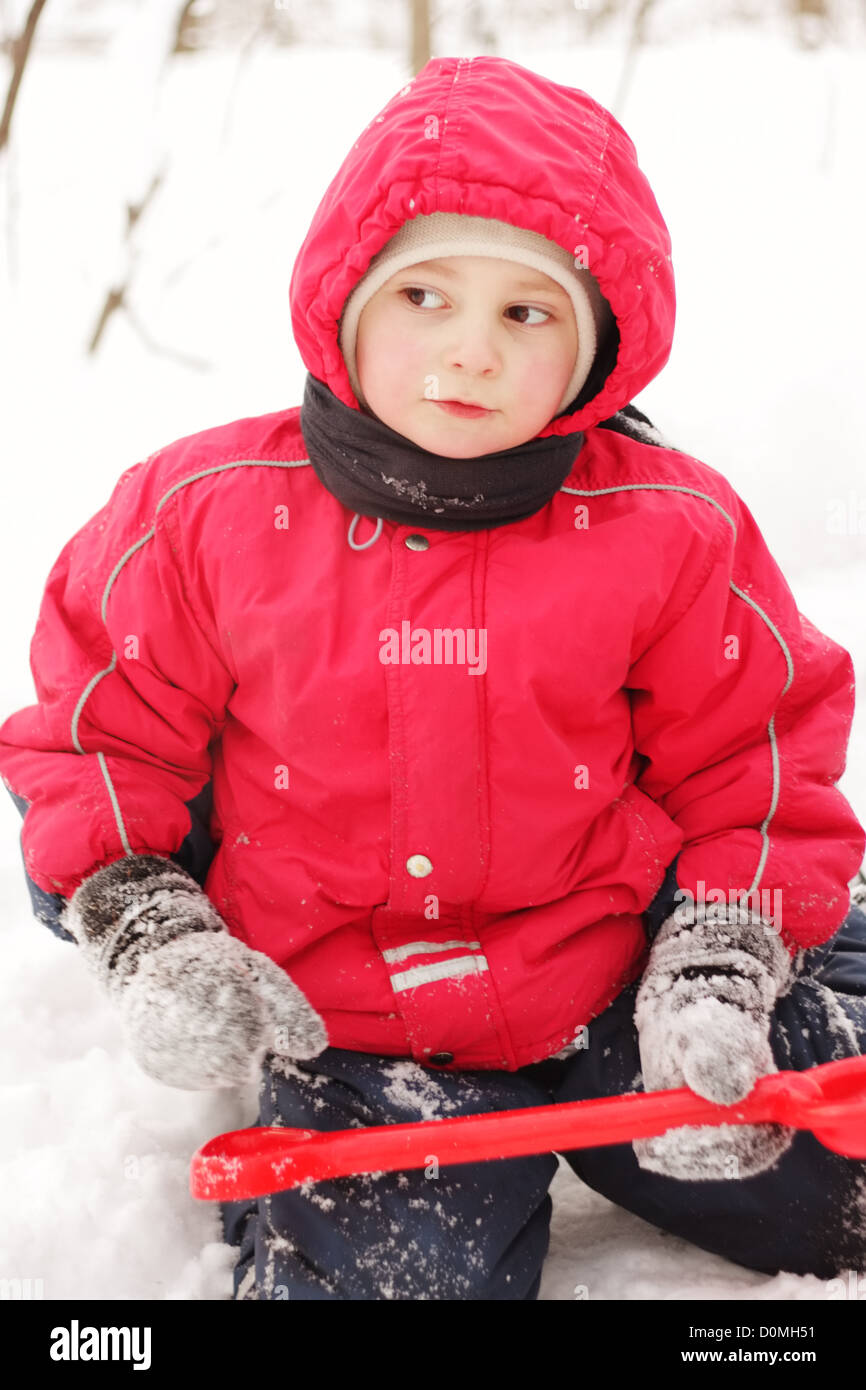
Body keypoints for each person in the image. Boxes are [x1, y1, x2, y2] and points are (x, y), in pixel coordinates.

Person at [1, 55, 866, 1301]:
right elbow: (93, 745)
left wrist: (719, 960)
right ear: (345, 297)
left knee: (815, 1176)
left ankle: (813, 958)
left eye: (527, 313)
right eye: (423, 294)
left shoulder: (670, 529)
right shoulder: (200, 518)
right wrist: (149, 927)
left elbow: (755, 761)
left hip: (617, 974)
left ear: (596, 347)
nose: (467, 353)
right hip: (353, 1027)